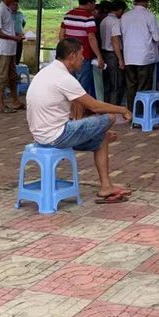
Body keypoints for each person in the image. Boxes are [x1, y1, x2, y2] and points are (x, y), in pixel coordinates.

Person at [26, 38, 133, 202]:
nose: (84, 58)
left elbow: (77, 105)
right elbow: (96, 107)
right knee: (109, 117)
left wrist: (96, 131)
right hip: (56, 136)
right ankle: (105, 183)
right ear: (72, 56)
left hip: (41, 135)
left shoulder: (47, 72)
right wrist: (122, 109)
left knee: (102, 135)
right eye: (81, 55)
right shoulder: (64, 78)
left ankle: (106, 186)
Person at [120, 0, 159, 110]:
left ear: (134, 1)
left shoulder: (125, 16)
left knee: (131, 86)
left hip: (129, 56)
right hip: (144, 57)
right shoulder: (149, 16)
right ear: (147, 2)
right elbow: (158, 37)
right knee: (143, 87)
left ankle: (131, 112)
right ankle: (141, 112)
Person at [59, 0, 104, 98]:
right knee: (82, 86)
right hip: (83, 56)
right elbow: (91, 37)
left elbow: (61, 35)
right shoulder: (88, 17)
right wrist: (99, 56)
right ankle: (79, 111)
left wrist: (63, 52)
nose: (95, 5)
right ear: (89, 3)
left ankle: (73, 110)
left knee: (71, 83)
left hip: (68, 55)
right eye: (94, 3)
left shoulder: (68, 15)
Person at [0, 0, 25, 114]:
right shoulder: (0, 10)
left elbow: (7, 29)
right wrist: (12, 38)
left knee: (12, 76)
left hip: (10, 48)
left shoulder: (9, 10)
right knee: (2, 76)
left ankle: (15, 101)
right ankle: (0, 104)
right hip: (3, 49)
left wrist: (16, 36)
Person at [99, 0, 126, 106]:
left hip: (104, 53)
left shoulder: (104, 20)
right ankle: (115, 108)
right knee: (116, 83)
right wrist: (120, 59)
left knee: (107, 83)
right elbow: (115, 40)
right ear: (119, 10)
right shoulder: (115, 22)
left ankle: (106, 106)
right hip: (113, 55)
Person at [12, 0, 27, 65]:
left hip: (20, 38)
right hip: (11, 38)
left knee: (18, 55)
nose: (16, 6)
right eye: (14, 4)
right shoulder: (8, 14)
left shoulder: (20, 14)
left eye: (17, 5)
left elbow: (23, 23)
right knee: (11, 57)